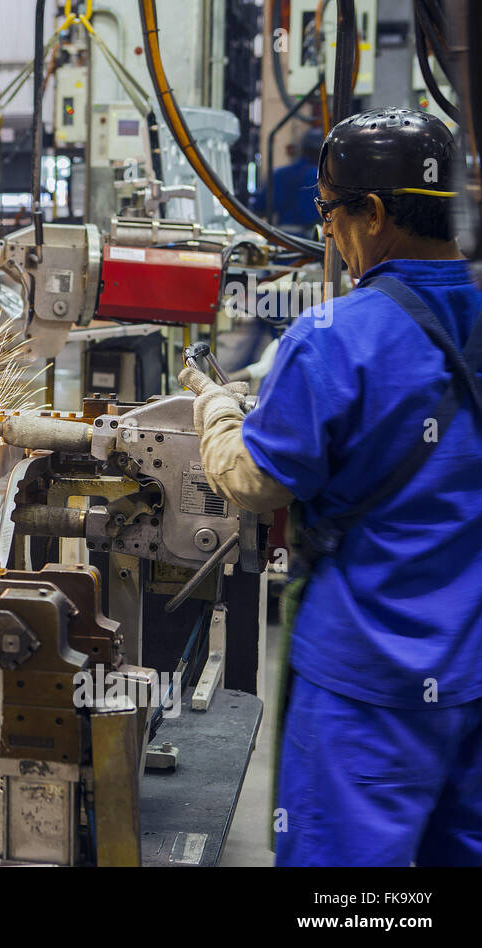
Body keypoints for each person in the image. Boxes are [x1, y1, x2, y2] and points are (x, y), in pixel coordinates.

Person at [179, 108, 482, 866]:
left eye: (329, 214)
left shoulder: (331, 339)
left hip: (365, 683)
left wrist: (215, 408)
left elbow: (254, 479)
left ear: (373, 213)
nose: (327, 235)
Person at [257, 127, 324, 235]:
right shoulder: (322, 178)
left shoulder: (278, 174)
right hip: (310, 242)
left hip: (280, 239)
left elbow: (258, 208)